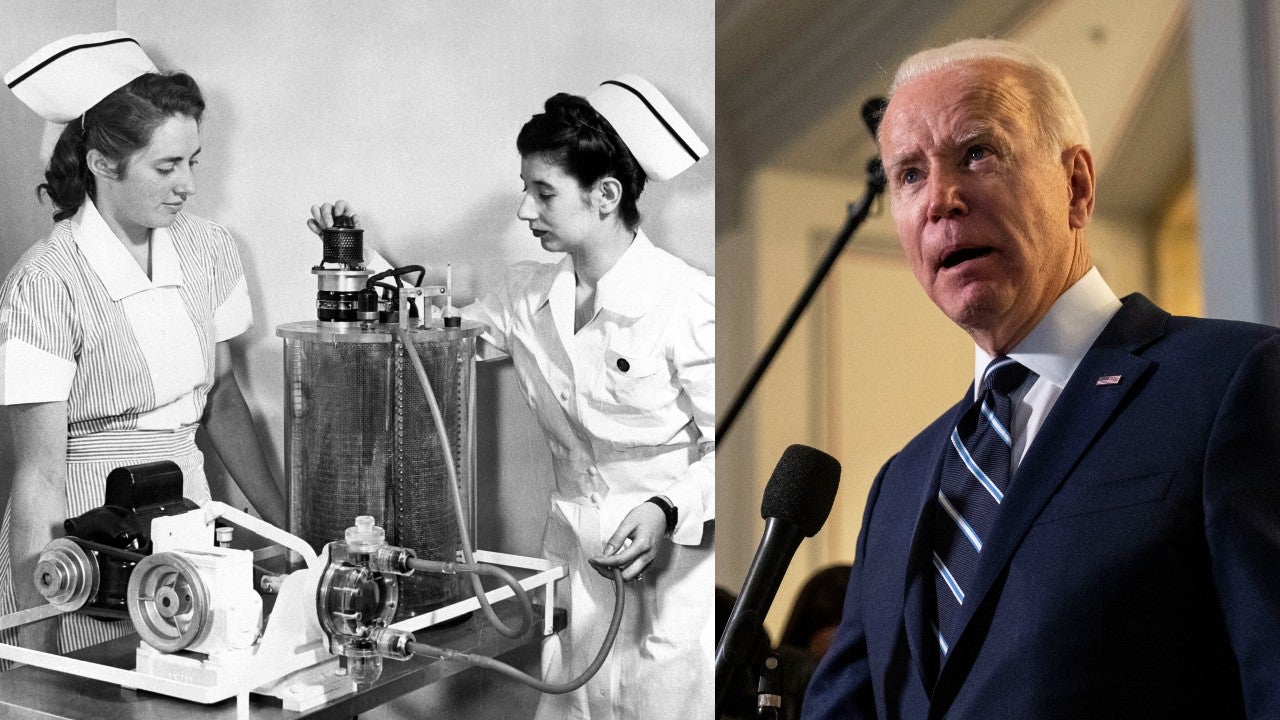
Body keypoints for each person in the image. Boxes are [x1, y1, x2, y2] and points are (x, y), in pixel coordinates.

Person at [803, 38, 1280, 719]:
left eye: (977, 153)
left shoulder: (1231, 383)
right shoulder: (898, 486)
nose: (941, 199)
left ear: (1077, 187)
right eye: (909, 174)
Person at [309, 74, 713, 719]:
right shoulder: (528, 296)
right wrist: (353, 255)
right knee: (571, 703)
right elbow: (429, 334)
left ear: (605, 195)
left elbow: (737, 444)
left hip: (672, 562)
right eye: (528, 189)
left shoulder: (688, 303)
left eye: (543, 193)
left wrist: (668, 507)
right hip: (576, 556)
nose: (527, 210)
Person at [0, 31, 284, 657]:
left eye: (193, 162)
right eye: (166, 166)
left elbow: (223, 400)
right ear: (103, 163)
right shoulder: (45, 282)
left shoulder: (209, 248)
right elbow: (39, 474)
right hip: (83, 534)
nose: (187, 184)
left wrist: (284, 524)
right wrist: (34, 635)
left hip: (188, 512)